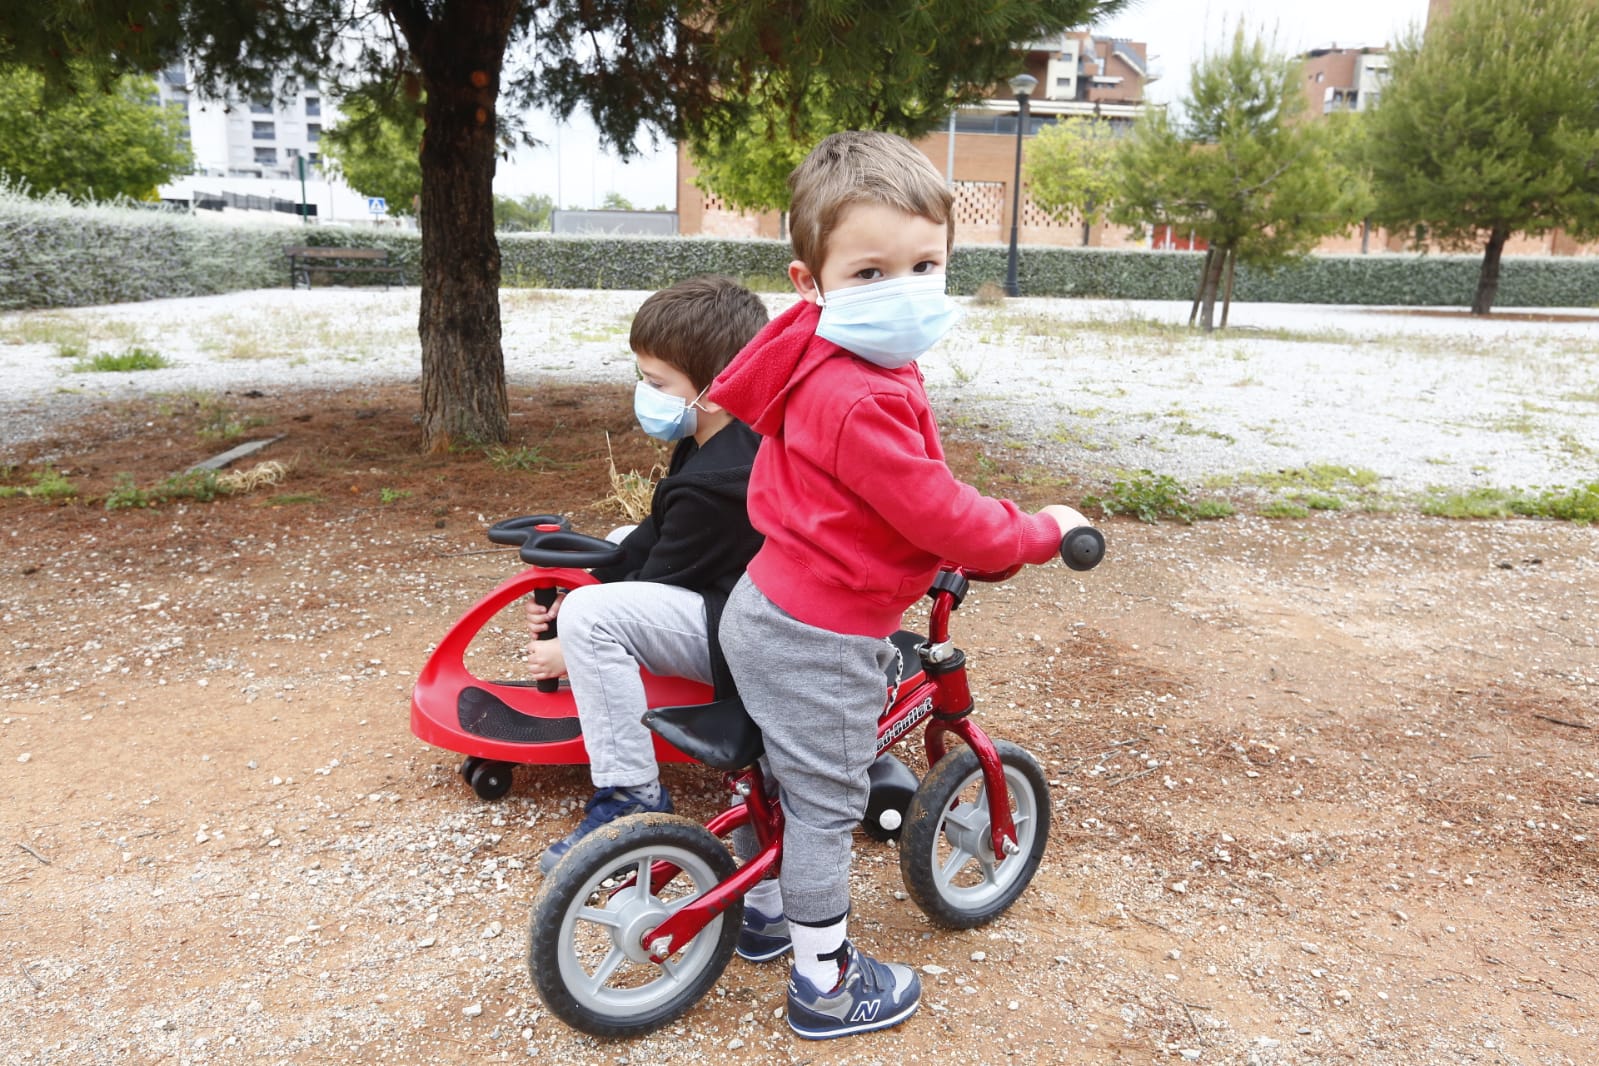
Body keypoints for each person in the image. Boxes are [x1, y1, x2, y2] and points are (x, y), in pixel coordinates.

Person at [708, 130, 1092, 1040]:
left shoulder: (821, 358)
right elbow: (935, 510)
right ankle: (826, 984)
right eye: (871, 273)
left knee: (783, 773)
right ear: (812, 283)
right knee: (828, 804)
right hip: (819, 634)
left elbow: (865, 500)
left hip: (769, 602)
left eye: (925, 265)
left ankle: (761, 913)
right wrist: (1034, 532)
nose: (906, 291)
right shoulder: (861, 392)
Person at [527, 275, 767, 879]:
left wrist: (570, 638)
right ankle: (583, 631)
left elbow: (661, 569)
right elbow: (653, 537)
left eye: (657, 383)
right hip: (730, 593)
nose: (644, 393)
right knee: (602, 566)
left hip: (743, 634)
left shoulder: (719, 483)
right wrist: (580, 583)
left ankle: (630, 794)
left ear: (714, 390)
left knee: (592, 620)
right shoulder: (717, 436)